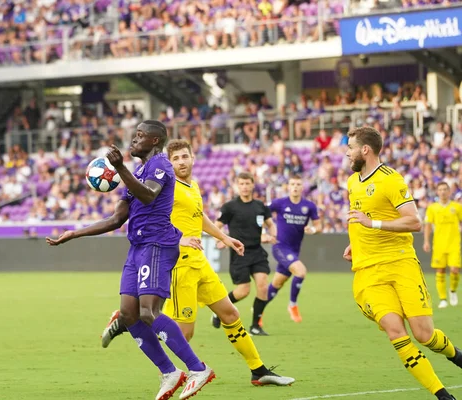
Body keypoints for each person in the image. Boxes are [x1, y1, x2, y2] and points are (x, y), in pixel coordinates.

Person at [100, 139, 295, 387]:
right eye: (176, 158)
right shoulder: (166, 187)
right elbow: (151, 219)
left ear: (193, 158)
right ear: (169, 163)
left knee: (230, 313)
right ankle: (127, 322)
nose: (181, 162)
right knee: (183, 332)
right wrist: (179, 240)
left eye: (185, 156)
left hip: (200, 263)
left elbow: (198, 216)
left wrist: (224, 236)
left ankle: (258, 370)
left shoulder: (192, 186)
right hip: (179, 265)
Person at [46, 121, 214, 400]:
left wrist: (120, 167)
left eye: (140, 136)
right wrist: (75, 233)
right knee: (128, 314)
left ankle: (199, 369)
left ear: (155, 140)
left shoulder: (161, 164)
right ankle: (169, 372)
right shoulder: (137, 171)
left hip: (157, 245)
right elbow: (116, 218)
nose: (133, 141)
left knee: (149, 312)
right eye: (134, 136)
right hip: (137, 248)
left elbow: (148, 196)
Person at [343, 126, 462, 400]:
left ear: (365, 150)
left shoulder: (391, 180)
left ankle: (456, 355)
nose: (347, 153)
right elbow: (361, 219)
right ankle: (442, 394)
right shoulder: (352, 182)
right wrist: (355, 241)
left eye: (350, 148)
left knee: (424, 334)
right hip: (368, 273)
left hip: (400, 263)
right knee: (395, 331)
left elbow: (414, 221)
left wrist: (371, 224)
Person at [212, 172, 277, 336]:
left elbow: (271, 224)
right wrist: (219, 240)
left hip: (257, 252)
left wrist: (272, 235)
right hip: (239, 254)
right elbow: (216, 225)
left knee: (263, 287)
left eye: (247, 183)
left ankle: (255, 326)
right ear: (237, 186)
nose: (245, 187)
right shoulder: (230, 207)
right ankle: (219, 310)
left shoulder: (260, 206)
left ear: (253, 185)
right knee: (243, 291)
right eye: (241, 184)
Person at [264, 176, 322, 323]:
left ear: (302, 187)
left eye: (298, 184)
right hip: (280, 246)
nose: (295, 187)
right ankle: (292, 305)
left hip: (294, 250)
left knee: (277, 283)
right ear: (288, 187)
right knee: (301, 272)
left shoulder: (309, 206)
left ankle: (258, 310)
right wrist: (263, 231)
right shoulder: (280, 203)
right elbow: (261, 212)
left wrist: (313, 229)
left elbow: (319, 226)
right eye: (292, 184)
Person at [423, 181, 462, 309]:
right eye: (440, 189)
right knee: (440, 270)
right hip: (439, 244)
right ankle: (443, 299)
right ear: (437, 192)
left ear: (449, 191)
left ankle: (452, 290)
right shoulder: (432, 208)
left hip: (454, 244)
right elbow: (428, 225)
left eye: (445, 189)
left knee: (455, 270)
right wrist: (426, 241)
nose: (443, 192)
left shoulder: (457, 207)